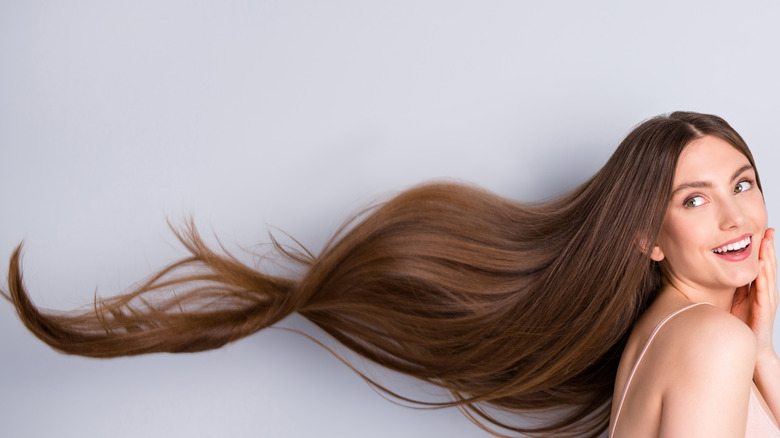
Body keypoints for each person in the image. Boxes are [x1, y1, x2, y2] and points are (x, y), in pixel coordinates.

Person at [2, 112, 778, 437]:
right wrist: (747, 350)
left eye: (743, 183)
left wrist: (761, 348)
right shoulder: (709, 340)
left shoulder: (682, 333)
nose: (736, 219)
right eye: (695, 199)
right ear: (648, 234)